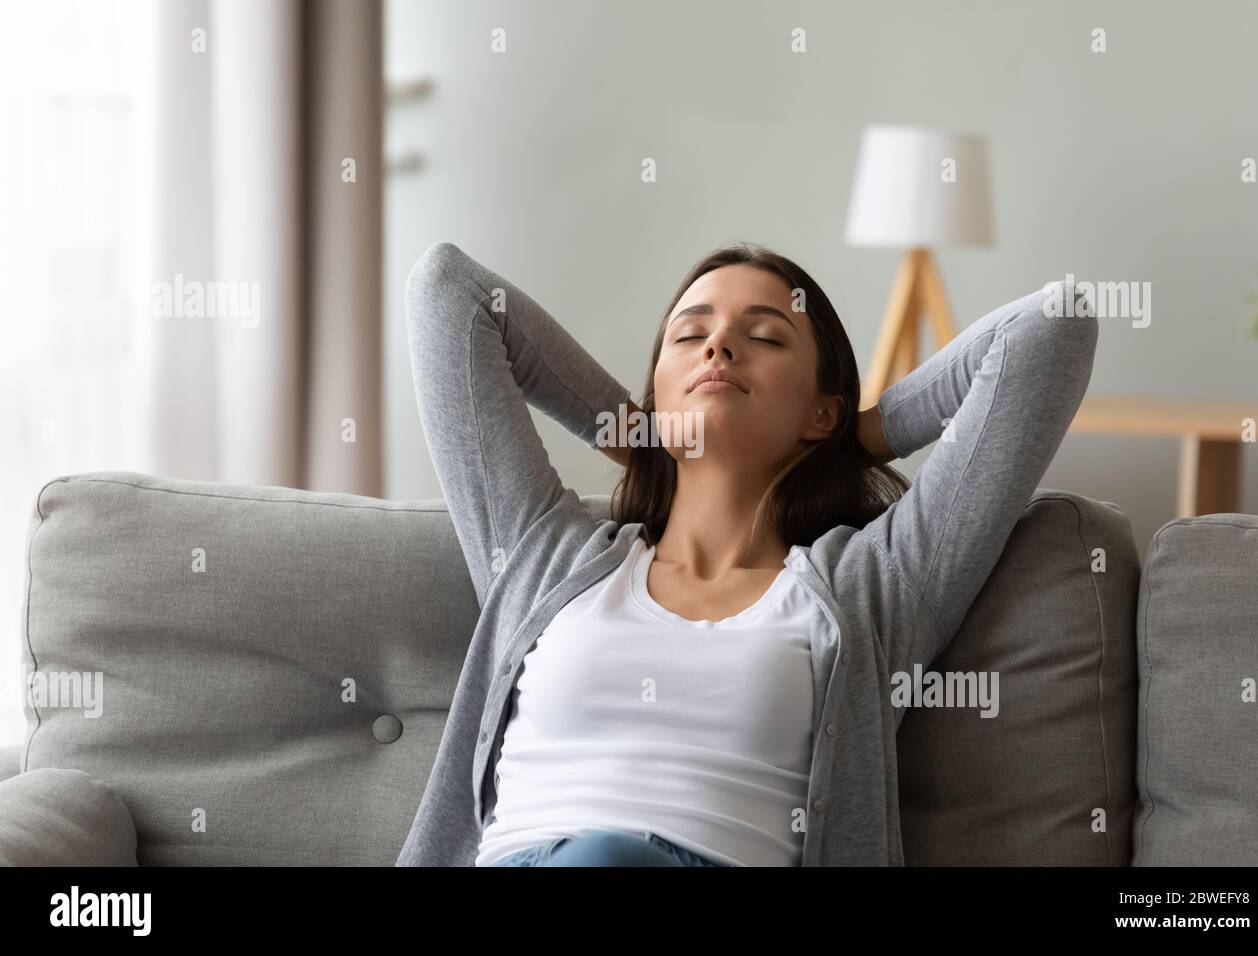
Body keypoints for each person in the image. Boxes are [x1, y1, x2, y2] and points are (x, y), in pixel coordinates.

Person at [395, 240, 1098, 867]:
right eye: (691, 333)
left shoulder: (873, 587)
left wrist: (856, 440)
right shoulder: (545, 558)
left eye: (763, 336)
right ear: (654, 398)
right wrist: (638, 437)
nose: (719, 345)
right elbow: (447, 290)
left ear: (820, 409)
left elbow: (1053, 326)